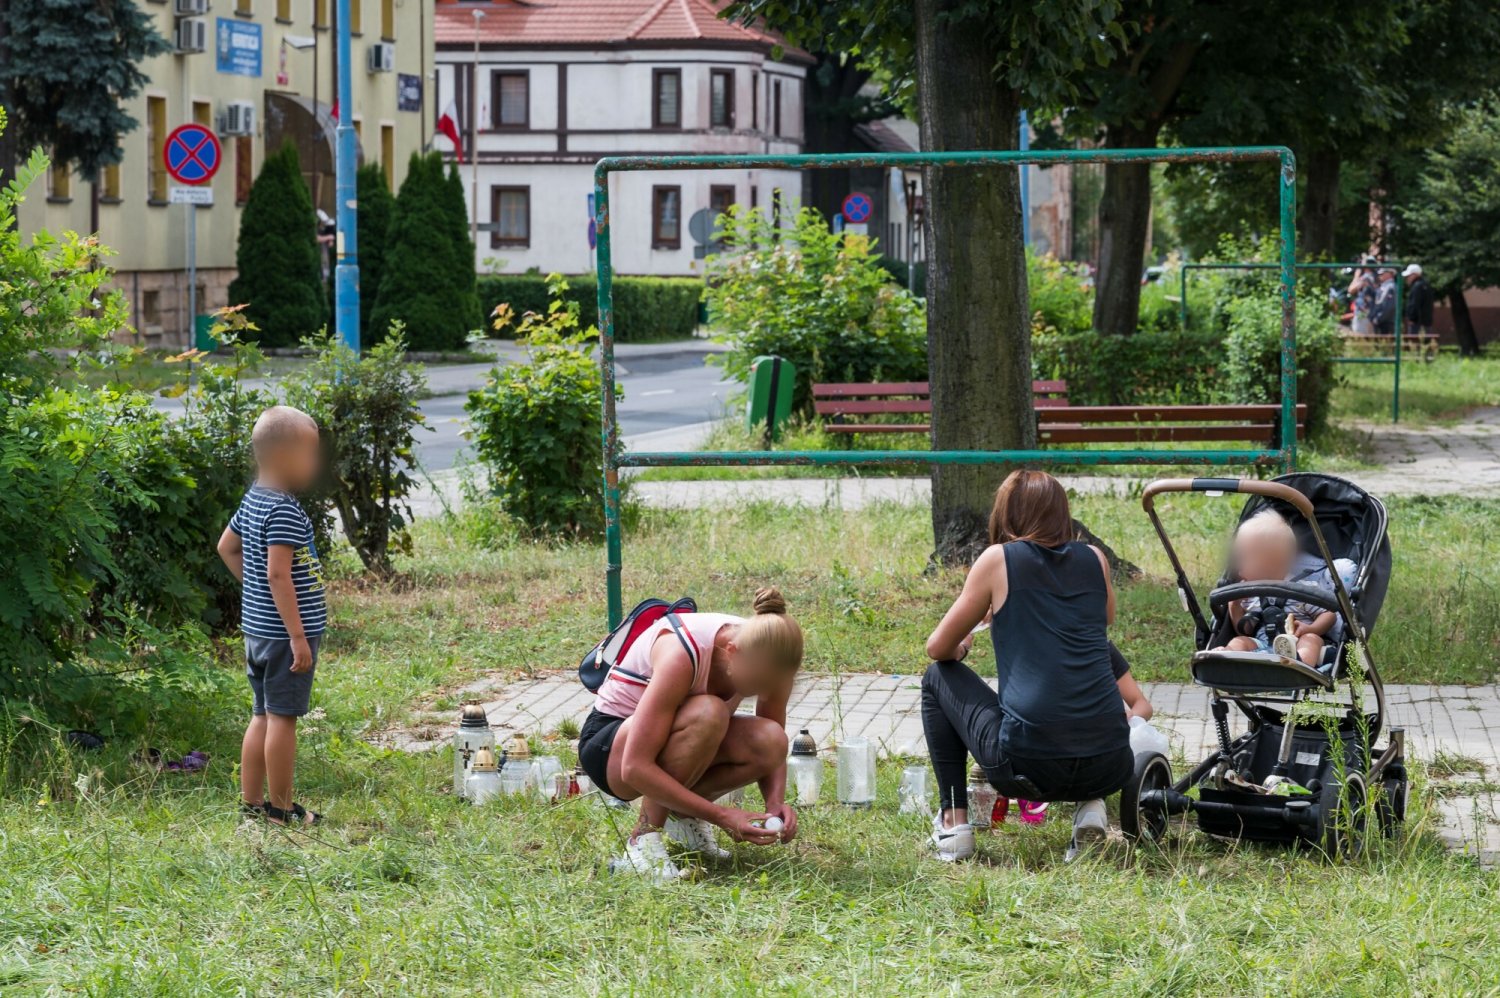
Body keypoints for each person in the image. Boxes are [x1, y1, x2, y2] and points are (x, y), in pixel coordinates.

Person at [921, 470, 1134, 863]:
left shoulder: (998, 560)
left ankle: (954, 825)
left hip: (1028, 766)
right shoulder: (1095, 559)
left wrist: (967, 641)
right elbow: (1103, 619)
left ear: (1007, 513)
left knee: (938, 678)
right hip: (1111, 761)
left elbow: (937, 648)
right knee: (1082, 690)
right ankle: (1091, 808)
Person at [578, 588, 804, 881]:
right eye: (757, 683)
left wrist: (774, 804)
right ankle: (642, 842)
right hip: (610, 750)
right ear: (733, 652)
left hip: (661, 747)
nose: (762, 691)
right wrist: (722, 816)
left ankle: (683, 819)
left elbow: (772, 742)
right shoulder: (681, 653)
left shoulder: (773, 655)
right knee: (708, 713)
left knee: (771, 740)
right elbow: (634, 767)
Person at [216, 406, 328, 827]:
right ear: (285, 457)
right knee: (283, 718)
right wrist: (298, 636)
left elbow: (226, 547)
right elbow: (278, 573)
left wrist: (257, 591)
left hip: (260, 633)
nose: (315, 464)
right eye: (311, 455)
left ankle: (252, 806)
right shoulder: (282, 509)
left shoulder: (254, 499)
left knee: (261, 714)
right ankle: (280, 811)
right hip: (285, 638)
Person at [1214, 510, 1336, 668]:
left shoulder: (1301, 590)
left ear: (1269, 563)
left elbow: (1329, 615)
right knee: (1240, 641)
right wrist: (1235, 606)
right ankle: (1227, 656)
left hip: (1297, 643)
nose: (1239, 568)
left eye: (1245, 559)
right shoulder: (1249, 594)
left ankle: (1301, 665)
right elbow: (1245, 630)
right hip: (1261, 644)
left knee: (1312, 640)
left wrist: (1310, 629)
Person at [1347, 257, 1378, 335]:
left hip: (1363, 313)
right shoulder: (1376, 277)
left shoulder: (1366, 277)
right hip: (1371, 312)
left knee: (1359, 337)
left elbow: (1351, 290)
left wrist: (1356, 276)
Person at [1403, 263, 1434, 338]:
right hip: (1427, 323)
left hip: (1416, 323)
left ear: (1414, 275)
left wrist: (1412, 318)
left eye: (1408, 276)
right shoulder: (1426, 285)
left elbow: (1414, 304)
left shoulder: (1417, 287)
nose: (1407, 279)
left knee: (1414, 345)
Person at [1371, 266, 1398, 335]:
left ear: (1390, 274)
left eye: (1382, 273)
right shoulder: (1385, 286)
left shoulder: (1390, 287)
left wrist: (1378, 319)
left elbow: (1389, 306)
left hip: (1385, 322)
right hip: (1381, 321)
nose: (1380, 275)